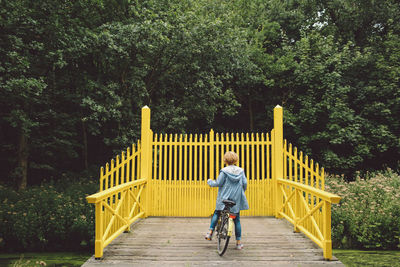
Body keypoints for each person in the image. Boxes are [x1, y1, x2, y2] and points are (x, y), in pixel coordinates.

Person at [205, 151, 249, 250]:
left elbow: (219, 183)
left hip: (224, 197)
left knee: (217, 212)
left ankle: (210, 232)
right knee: (236, 219)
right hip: (236, 198)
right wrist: (242, 191)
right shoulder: (241, 171)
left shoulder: (224, 171)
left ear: (225, 160)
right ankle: (238, 243)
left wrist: (210, 182)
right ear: (236, 160)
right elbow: (245, 183)